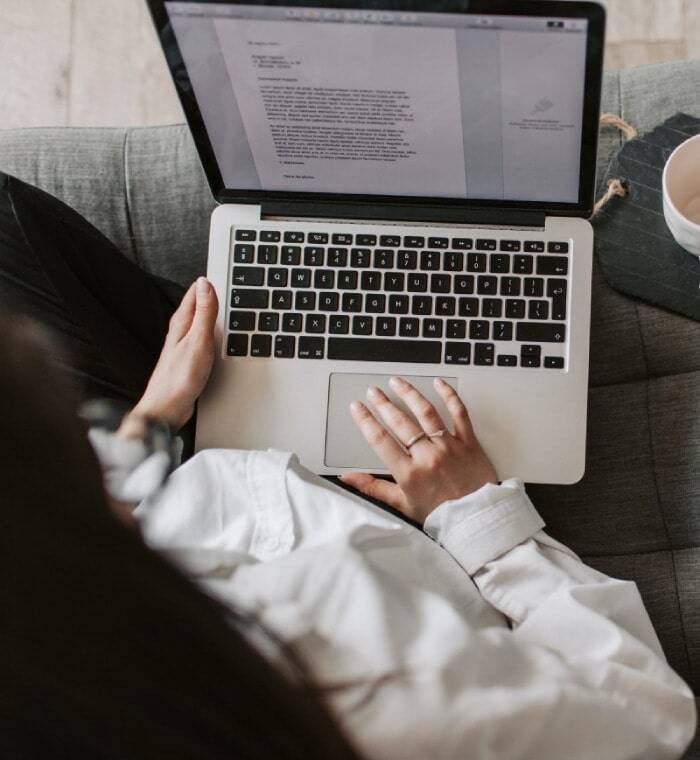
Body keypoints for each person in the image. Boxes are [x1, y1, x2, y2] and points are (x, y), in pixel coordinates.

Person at [0, 171, 696, 759]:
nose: (99, 441)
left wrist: (150, 423)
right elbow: (653, 717)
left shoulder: (52, 628)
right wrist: (479, 514)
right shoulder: (393, 693)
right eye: (82, 440)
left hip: (184, 468)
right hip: (384, 509)